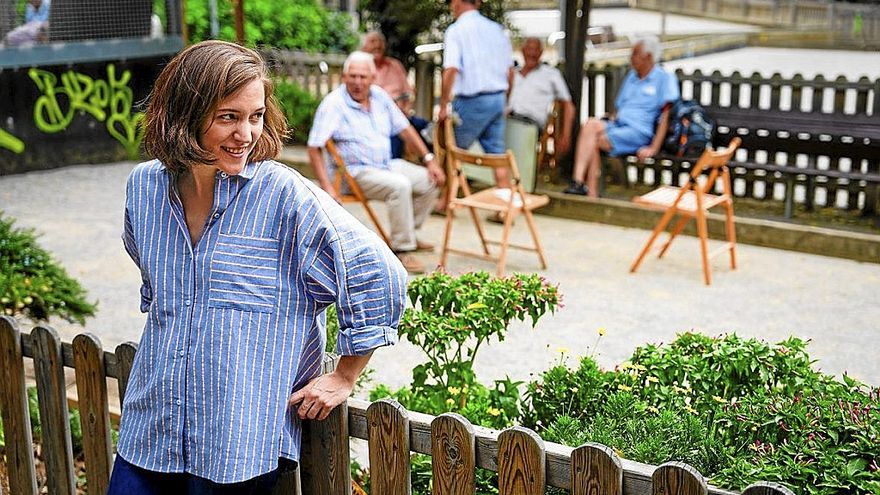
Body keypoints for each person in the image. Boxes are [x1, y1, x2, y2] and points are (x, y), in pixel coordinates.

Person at [108, 40, 407, 494]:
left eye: (255, 116)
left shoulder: (282, 195)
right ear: (184, 113)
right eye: (228, 117)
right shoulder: (144, 188)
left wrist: (346, 373)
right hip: (150, 432)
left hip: (237, 448)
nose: (245, 134)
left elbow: (376, 271)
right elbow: (155, 283)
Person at [307, 51, 445, 275]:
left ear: (373, 78)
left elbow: (405, 129)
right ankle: (402, 249)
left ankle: (408, 232)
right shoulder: (334, 104)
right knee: (399, 185)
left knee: (430, 180)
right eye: (352, 76)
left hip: (386, 165)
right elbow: (314, 147)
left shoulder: (380, 96)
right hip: (355, 173)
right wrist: (327, 187)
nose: (357, 82)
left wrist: (429, 160)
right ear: (344, 77)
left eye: (363, 77)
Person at [564, 35, 679, 197]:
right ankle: (578, 182)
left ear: (648, 57)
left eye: (635, 54)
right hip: (619, 125)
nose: (631, 58)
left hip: (639, 132)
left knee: (597, 141)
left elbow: (666, 115)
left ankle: (591, 193)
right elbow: (618, 108)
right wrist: (607, 119)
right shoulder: (632, 77)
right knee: (590, 124)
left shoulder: (664, 78)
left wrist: (653, 148)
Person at [439, 0, 513, 188]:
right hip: (497, 98)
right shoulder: (497, 29)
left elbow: (451, 69)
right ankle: (504, 206)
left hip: (472, 100)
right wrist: (505, 100)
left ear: (456, 3)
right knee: (497, 153)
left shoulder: (456, 30)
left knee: (452, 149)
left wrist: (443, 104)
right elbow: (510, 72)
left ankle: (447, 203)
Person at [361, 30, 430, 161]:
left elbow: (409, 92)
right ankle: (392, 166)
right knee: (396, 132)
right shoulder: (362, 69)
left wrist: (407, 107)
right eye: (373, 41)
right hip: (377, 119)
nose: (378, 45)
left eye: (381, 42)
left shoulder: (395, 65)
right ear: (364, 48)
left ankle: (435, 166)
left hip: (401, 114)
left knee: (429, 130)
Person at [507, 37, 575, 157]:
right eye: (529, 49)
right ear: (522, 51)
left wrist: (565, 135)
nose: (532, 53)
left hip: (529, 123)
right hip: (506, 119)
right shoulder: (513, 74)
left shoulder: (550, 74)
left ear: (541, 53)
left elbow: (568, 105)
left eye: (535, 49)